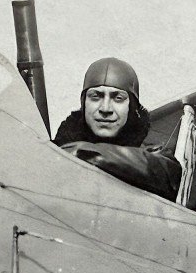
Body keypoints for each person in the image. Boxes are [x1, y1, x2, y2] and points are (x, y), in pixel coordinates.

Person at [53, 57, 181, 200]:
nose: (105, 108)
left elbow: (167, 173)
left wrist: (80, 153)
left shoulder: (158, 157)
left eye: (118, 98)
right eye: (96, 96)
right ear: (84, 103)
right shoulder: (56, 150)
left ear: (132, 107)